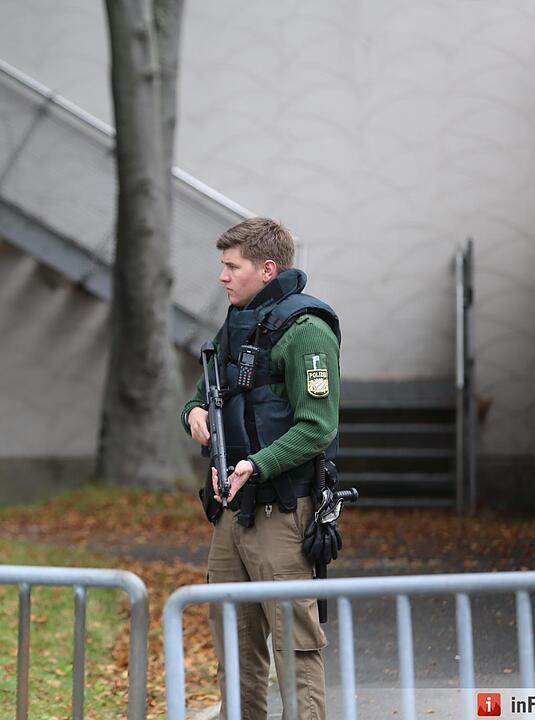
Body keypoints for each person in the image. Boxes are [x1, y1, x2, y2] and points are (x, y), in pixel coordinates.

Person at [182, 218, 340, 720]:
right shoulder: (236, 322)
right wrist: (194, 414)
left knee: (295, 649)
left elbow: (317, 427)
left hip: (284, 511)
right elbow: (205, 389)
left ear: (267, 268)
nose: (223, 277)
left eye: (233, 267)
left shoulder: (306, 331)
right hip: (233, 510)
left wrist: (256, 463)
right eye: (222, 267)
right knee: (234, 645)